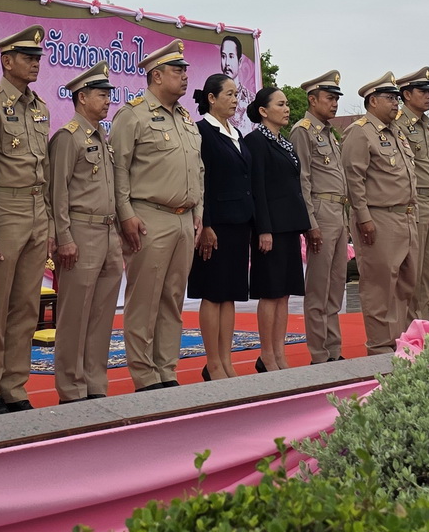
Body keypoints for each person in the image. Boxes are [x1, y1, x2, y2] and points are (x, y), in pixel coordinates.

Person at [111, 38, 204, 390]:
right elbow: (119, 168)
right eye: (177, 71)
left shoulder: (185, 119)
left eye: (184, 70)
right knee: (144, 301)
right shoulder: (132, 115)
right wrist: (125, 214)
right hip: (149, 216)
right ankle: (144, 375)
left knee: (172, 300)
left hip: (184, 219)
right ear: (156, 75)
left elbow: (199, 170)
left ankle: (166, 371)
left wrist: (199, 212)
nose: (184, 77)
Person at [0, 25, 51, 416]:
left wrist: (50, 221)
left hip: (37, 212)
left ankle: (14, 386)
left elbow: (46, 170)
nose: (35, 63)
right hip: (4, 211)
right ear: (7, 61)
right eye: (27, 57)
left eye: (38, 58)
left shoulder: (40, 107)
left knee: (25, 307)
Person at [47, 61, 122, 404]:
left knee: (102, 316)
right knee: (75, 315)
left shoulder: (101, 136)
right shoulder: (68, 137)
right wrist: (64, 237)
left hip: (108, 234)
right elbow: (57, 192)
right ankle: (71, 389)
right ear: (81, 98)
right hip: (81, 230)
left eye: (108, 93)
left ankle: (95, 383)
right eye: (100, 94)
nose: (107, 100)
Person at [342, 71, 416, 354]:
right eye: (390, 98)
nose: (396, 103)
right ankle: (379, 347)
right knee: (379, 285)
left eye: (398, 98)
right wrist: (364, 218)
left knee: (404, 285)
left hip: (406, 216)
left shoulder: (396, 132)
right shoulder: (360, 132)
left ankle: (397, 341)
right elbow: (354, 179)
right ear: (372, 101)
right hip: (378, 217)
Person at [189, 73, 252, 380]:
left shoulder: (236, 133)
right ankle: (212, 362)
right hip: (216, 225)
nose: (234, 100)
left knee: (229, 295)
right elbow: (203, 180)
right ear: (211, 98)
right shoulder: (202, 131)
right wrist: (207, 225)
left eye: (237, 95)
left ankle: (226, 360)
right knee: (212, 294)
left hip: (239, 223)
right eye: (228, 94)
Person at [245, 85, 310, 372]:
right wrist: (264, 229)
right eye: (281, 104)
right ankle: (267, 354)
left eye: (287, 104)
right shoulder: (255, 142)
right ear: (263, 110)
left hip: (289, 226)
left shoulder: (284, 142)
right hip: (269, 227)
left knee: (284, 293)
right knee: (270, 292)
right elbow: (257, 188)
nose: (287, 109)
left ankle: (280, 352)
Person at [292, 70, 350, 363]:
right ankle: (318, 352)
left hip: (338, 212)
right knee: (318, 287)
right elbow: (302, 179)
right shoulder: (303, 131)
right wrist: (310, 222)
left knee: (336, 284)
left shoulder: (330, 133)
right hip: (321, 211)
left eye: (337, 98)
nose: (335, 103)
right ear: (312, 99)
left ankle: (334, 349)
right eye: (329, 98)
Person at [395, 67, 429, 322]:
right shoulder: (398, 125)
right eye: (422, 91)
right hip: (416, 201)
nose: (428, 96)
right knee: (413, 271)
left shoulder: (427, 125)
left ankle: (426, 322)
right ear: (406, 94)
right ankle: (411, 327)